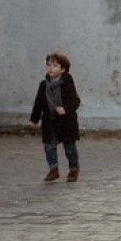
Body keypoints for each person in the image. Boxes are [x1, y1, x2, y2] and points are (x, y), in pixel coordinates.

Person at [30, 52, 81, 181]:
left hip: (66, 121)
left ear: (63, 69)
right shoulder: (44, 85)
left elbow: (75, 101)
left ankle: (73, 169)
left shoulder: (67, 83)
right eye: (49, 65)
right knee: (49, 146)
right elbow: (38, 103)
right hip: (50, 120)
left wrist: (65, 109)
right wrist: (34, 119)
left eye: (55, 65)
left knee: (69, 147)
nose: (51, 68)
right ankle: (53, 169)